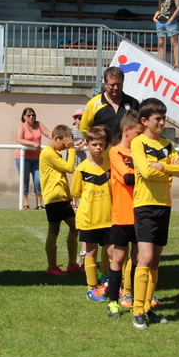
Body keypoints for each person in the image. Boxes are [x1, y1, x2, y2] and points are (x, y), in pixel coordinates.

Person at [129, 98, 179, 330]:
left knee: (155, 259)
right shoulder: (138, 143)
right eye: (158, 119)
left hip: (164, 205)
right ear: (144, 121)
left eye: (164, 118)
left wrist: (163, 167)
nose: (162, 122)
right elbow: (144, 171)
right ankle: (137, 310)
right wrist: (166, 171)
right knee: (144, 258)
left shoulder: (167, 145)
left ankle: (147, 308)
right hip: (144, 205)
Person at [105, 110, 143, 317]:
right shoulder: (115, 152)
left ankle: (134, 298)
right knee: (119, 257)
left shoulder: (141, 152)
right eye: (138, 133)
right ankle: (113, 301)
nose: (141, 138)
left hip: (142, 213)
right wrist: (149, 172)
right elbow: (128, 178)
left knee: (138, 258)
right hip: (122, 213)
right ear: (126, 131)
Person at [71, 126, 113, 302]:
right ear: (87, 144)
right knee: (91, 251)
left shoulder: (110, 166)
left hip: (108, 218)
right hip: (89, 218)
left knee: (111, 251)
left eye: (101, 144)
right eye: (94, 144)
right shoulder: (81, 169)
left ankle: (107, 280)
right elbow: (76, 191)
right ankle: (91, 287)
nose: (98, 148)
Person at [39, 124, 79, 276]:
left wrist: (68, 195)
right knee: (54, 230)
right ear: (56, 138)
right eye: (64, 144)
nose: (65, 147)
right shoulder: (48, 153)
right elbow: (69, 168)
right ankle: (52, 267)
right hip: (54, 199)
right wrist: (72, 149)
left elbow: (60, 177)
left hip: (62, 198)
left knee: (75, 228)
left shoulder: (55, 153)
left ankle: (72, 264)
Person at [80, 66, 139, 143]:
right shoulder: (93, 104)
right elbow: (84, 129)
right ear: (105, 83)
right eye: (112, 85)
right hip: (102, 149)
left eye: (119, 84)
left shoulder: (133, 103)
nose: (116, 88)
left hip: (127, 149)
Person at [15, 107, 50, 210]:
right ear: (24, 116)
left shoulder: (38, 124)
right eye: (29, 115)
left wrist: (58, 138)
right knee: (24, 180)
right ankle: (25, 204)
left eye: (33, 115)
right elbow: (19, 140)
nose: (31, 117)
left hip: (37, 158)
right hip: (23, 157)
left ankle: (39, 204)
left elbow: (49, 134)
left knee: (38, 180)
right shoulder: (21, 126)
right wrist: (33, 144)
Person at [154, 0, 179, 68]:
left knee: (174, 42)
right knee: (161, 43)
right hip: (160, 20)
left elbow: (178, 8)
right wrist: (155, 17)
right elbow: (159, 8)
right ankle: (161, 62)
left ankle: (176, 63)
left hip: (170, 21)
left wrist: (171, 19)